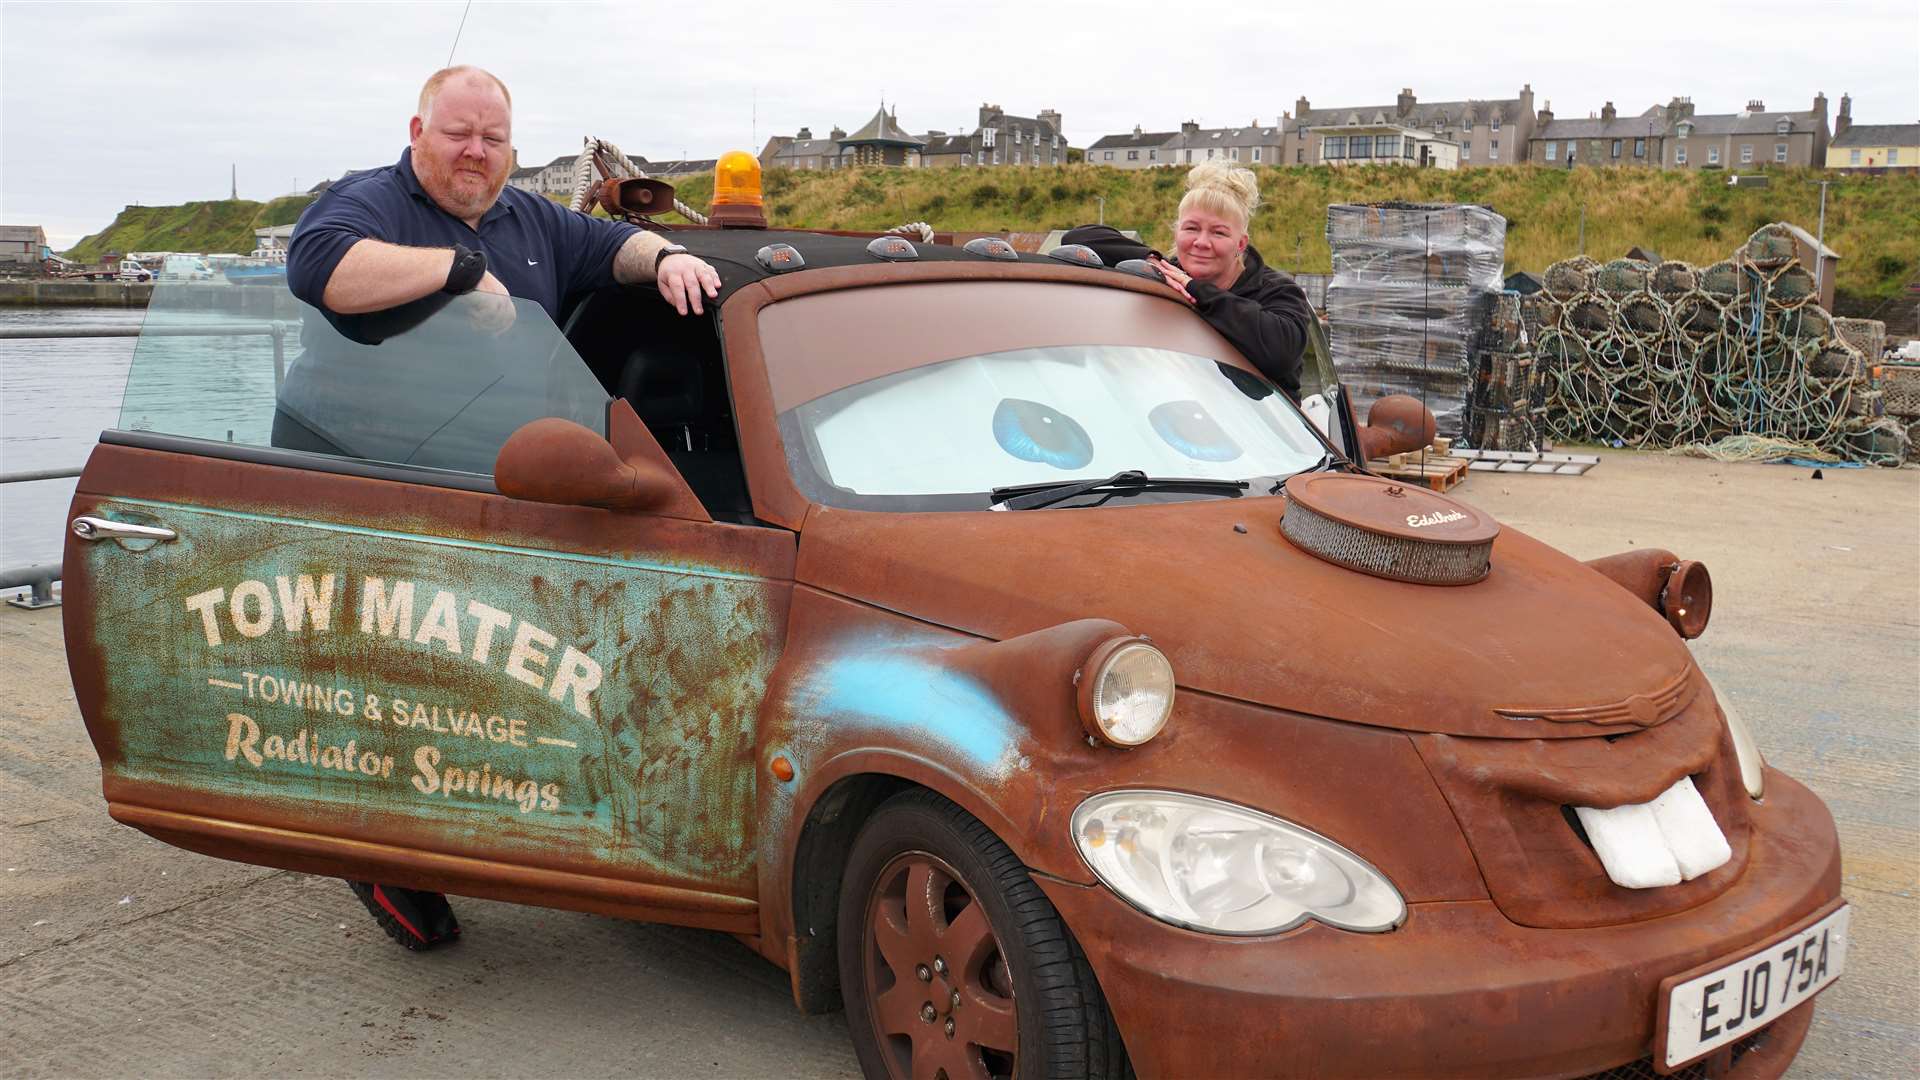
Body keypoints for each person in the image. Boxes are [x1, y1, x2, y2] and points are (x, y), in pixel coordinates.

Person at [1063, 162, 1312, 398]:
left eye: (1218, 232)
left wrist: (1197, 290)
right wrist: (1152, 259)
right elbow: (1079, 237)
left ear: (1241, 244)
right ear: (1177, 232)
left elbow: (1280, 353)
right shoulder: (1169, 273)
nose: (1201, 242)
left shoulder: (1280, 291)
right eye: (1191, 228)